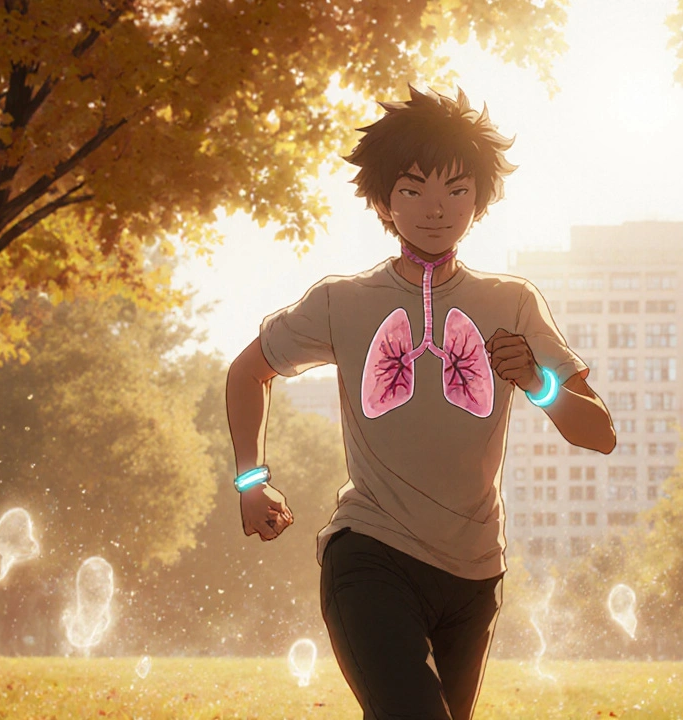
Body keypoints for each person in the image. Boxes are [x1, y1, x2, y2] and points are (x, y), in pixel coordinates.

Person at [225, 85, 616, 720]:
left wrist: (537, 381)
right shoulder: (340, 301)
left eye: (457, 190)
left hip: (475, 573)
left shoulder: (513, 301)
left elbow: (599, 433)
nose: (436, 209)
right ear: (384, 200)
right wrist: (251, 480)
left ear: (479, 201)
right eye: (412, 190)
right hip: (370, 553)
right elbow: (249, 372)